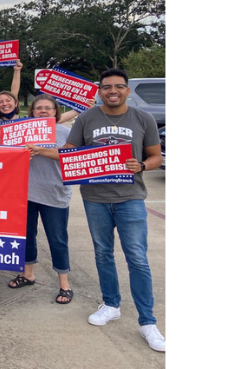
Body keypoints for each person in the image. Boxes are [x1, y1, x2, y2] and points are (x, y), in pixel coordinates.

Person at [28, 68, 164, 352]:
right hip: (95, 198)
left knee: (137, 258)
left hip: (130, 197)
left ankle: (147, 322)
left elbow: (155, 157)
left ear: (127, 90)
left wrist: (141, 165)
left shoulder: (143, 118)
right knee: (103, 253)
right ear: (100, 91)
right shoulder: (87, 118)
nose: (112, 91)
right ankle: (111, 304)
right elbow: (69, 152)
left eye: (118, 86)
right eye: (107, 87)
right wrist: (40, 150)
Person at [0, 94, 76, 306]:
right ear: (32, 112)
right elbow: (7, 155)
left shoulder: (65, 132)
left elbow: (68, 155)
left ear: (55, 112)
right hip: (26, 193)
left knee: (57, 239)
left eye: (47, 108)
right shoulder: (21, 131)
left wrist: (40, 150)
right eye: (38, 108)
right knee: (26, 237)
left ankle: (64, 284)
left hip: (55, 194)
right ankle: (28, 274)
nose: (43, 111)